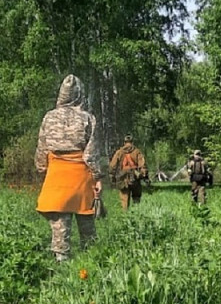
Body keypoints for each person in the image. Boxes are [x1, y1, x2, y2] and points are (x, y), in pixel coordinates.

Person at [35, 74, 103, 262]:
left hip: (56, 175)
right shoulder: (88, 118)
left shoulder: (49, 117)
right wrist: (97, 177)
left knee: (59, 225)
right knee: (86, 223)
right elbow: (91, 153)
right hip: (80, 178)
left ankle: (61, 261)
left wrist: (42, 170)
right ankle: (92, 261)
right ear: (80, 94)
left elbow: (42, 149)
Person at [109, 135, 148, 210]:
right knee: (136, 198)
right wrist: (144, 175)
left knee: (124, 199)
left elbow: (112, 166)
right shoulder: (137, 152)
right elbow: (142, 164)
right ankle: (137, 214)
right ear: (132, 142)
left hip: (123, 178)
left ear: (124, 142)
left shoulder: (119, 152)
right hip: (135, 178)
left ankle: (126, 216)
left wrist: (112, 177)